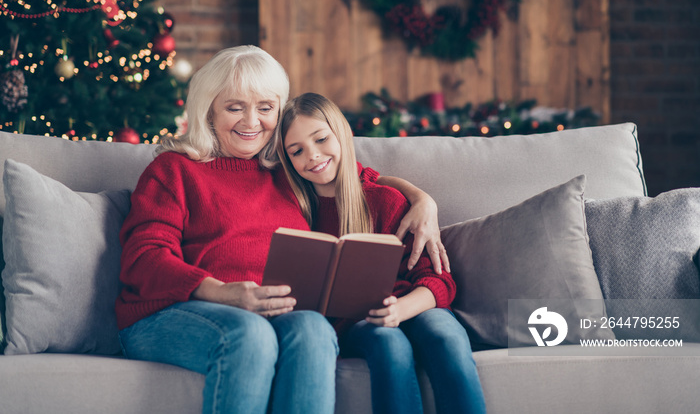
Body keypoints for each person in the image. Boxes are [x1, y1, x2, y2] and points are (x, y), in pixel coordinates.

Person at [116, 45, 449, 414]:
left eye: (265, 107)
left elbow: (350, 175)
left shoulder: (286, 171)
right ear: (208, 108)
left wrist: (421, 200)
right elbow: (143, 258)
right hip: (174, 313)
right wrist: (221, 292)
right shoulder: (173, 170)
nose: (251, 121)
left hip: (275, 313)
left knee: (315, 329)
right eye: (234, 107)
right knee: (250, 334)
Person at [277, 92, 487, 414]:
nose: (313, 155)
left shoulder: (385, 200)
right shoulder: (294, 212)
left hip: (412, 305)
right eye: (297, 151)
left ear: (343, 133)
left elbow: (438, 280)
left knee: (445, 336)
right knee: (389, 345)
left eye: (321, 139)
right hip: (355, 323)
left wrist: (400, 310)